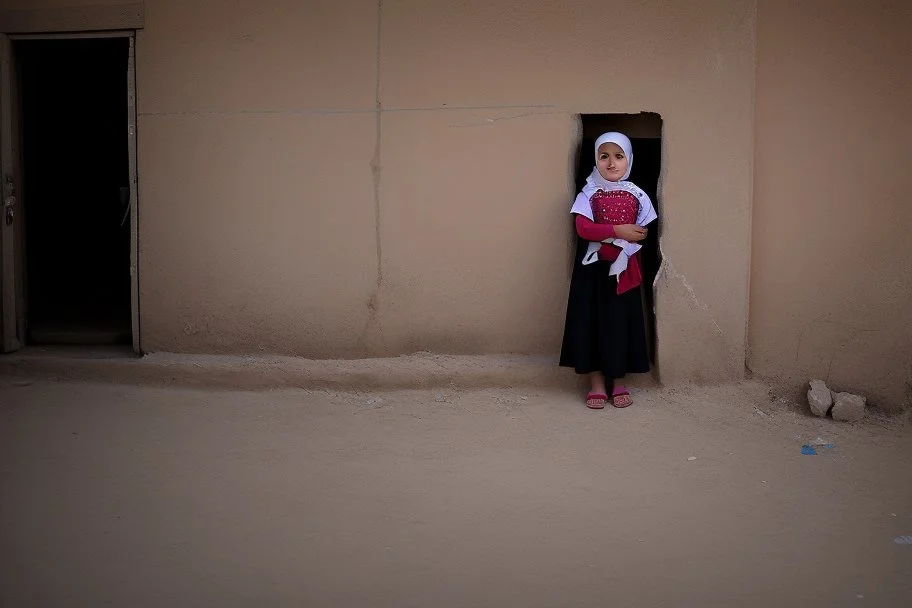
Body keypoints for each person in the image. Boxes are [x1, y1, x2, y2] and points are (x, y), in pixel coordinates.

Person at [559, 131, 657, 409]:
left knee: (620, 323)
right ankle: (597, 383)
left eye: (618, 156)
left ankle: (619, 381)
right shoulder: (589, 193)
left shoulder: (638, 194)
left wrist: (629, 237)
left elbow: (643, 230)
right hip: (593, 270)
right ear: (595, 160)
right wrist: (617, 230)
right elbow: (583, 228)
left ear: (629, 160)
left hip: (624, 268)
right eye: (604, 156)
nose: (611, 163)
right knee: (592, 322)